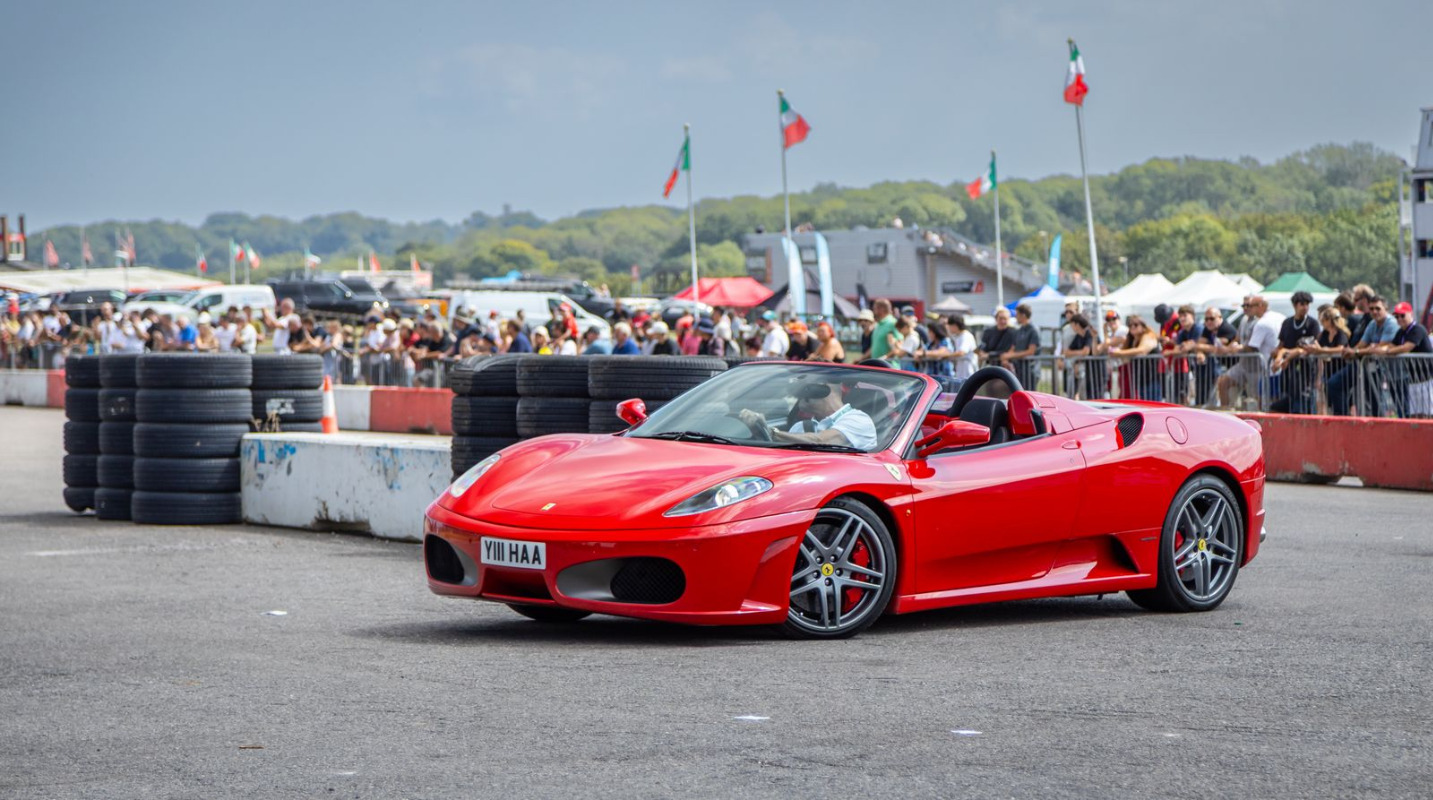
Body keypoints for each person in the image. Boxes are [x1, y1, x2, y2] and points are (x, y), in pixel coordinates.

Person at [737, 381, 878, 451]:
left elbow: (822, 441)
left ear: (825, 388)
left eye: (807, 387)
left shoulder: (859, 420)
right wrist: (758, 431)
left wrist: (773, 433)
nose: (799, 394)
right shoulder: (801, 428)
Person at [1328, 295, 1396, 416]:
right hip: (1367, 366)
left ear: (1385, 308)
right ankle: (1344, 420)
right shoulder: (1372, 324)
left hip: (1386, 369)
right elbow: (1362, 344)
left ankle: (1381, 424)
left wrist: (1356, 352)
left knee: (1378, 402)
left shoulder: (1391, 323)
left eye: (1378, 308)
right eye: (1372, 309)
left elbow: (1379, 348)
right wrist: (1351, 351)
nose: (1374, 312)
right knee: (1334, 383)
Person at [1269, 291, 1319, 414]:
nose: (1305, 307)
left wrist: (1288, 355)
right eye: (1302, 304)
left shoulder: (1312, 323)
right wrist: (1276, 355)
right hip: (1288, 373)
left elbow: (1311, 346)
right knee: (1282, 404)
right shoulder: (1287, 323)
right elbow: (1281, 345)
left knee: (1301, 405)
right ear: (1295, 305)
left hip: (1305, 373)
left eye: (1307, 304)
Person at [1381, 301, 1432, 417]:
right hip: (1413, 379)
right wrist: (1379, 349)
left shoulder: (1418, 329)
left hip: (1427, 379)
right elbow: (1391, 346)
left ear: (1411, 314)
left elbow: (1406, 347)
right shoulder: (1401, 332)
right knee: (1414, 414)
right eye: (1397, 316)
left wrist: (1387, 351)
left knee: (1428, 413)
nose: (1399, 319)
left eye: (1402, 315)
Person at [1191, 306, 1237, 406]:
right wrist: (1200, 353)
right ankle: (1222, 409)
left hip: (1235, 365)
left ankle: (1225, 410)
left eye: (1212, 318)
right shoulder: (1208, 329)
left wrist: (1200, 347)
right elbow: (1200, 344)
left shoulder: (1226, 328)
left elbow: (1219, 349)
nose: (1208, 322)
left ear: (1220, 318)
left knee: (1230, 393)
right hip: (1224, 366)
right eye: (1206, 319)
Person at [1107, 315, 1159, 399]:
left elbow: (1142, 350)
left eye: (1135, 325)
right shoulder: (1132, 339)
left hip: (1151, 379)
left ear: (1143, 326)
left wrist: (1120, 353)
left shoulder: (1148, 336)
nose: (1132, 327)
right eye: (1130, 325)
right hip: (1139, 381)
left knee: (1153, 404)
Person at [1062, 314, 1102, 399]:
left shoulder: (1089, 334)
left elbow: (1086, 352)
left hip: (1095, 372)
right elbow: (1066, 352)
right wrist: (1079, 355)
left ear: (1076, 324)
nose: (1071, 327)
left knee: (1094, 397)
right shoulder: (1078, 336)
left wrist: (1078, 353)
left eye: (1072, 324)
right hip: (1084, 373)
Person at [1001, 303, 1040, 390]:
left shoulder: (1033, 330)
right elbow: (1013, 347)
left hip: (1030, 371)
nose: (1016, 317)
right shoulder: (1019, 330)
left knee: (1029, 394)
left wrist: (1010, 356)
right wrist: (1005, 358)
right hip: (1019, 370)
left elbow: (1031, 351)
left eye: (1017, 314)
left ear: (1023, 315)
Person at [946, 316, 979, 383]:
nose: (949, 329)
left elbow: (962, 352)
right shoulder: (958, 336)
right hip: (961, 368)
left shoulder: (966, 336)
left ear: (955, 326)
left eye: (950, 326)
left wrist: (946, 355)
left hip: (968, 368)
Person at [868, 299, 897, 364]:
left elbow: (898, 346)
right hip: (877, 366)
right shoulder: (878, 324)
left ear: (881, 309)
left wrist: (884, 358)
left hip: (889, 367)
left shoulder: (892, 323)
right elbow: (874, 347)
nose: (873, 311)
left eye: (874, 309)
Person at [320, 319, 347, 384]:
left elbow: (333, 345)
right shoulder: (329, 336)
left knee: (335, 376)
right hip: (327, 360)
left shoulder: (338, 335)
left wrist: (324, 349)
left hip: (334, 360)